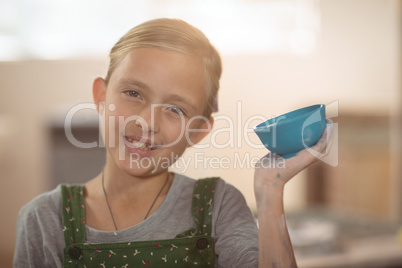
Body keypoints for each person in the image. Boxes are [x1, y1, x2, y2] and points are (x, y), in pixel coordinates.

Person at [13, 18, 333, 268]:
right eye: (133, 93)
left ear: (198, 131)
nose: (147, 123)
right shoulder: (44, 219)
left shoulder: (219, 206)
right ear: (100, 97)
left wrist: (270, 192)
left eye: (174, 109)